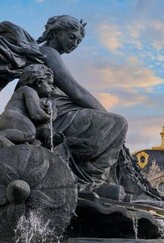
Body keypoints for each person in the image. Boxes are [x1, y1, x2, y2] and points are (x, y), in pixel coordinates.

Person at [37, 15, 128, 186]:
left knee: (114, 128)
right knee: (119, 123)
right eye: (72, 37)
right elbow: (76, 92)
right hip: (57, 115)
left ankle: (92, 174)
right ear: (56, 32)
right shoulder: (48, 52)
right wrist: (106, 115)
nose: (74, 44)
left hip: (58, 112)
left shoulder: (47, 53)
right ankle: (94, 179)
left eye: (78, 41)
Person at [0, 64, 54, 147]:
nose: (52, 87)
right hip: (13, 117)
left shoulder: (32, 94)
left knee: (35, 142)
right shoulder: (29, 90)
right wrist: (50, 117)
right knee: (29, 134)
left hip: (10, 120)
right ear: (39, 82)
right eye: (50, 83)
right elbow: (36, 115)